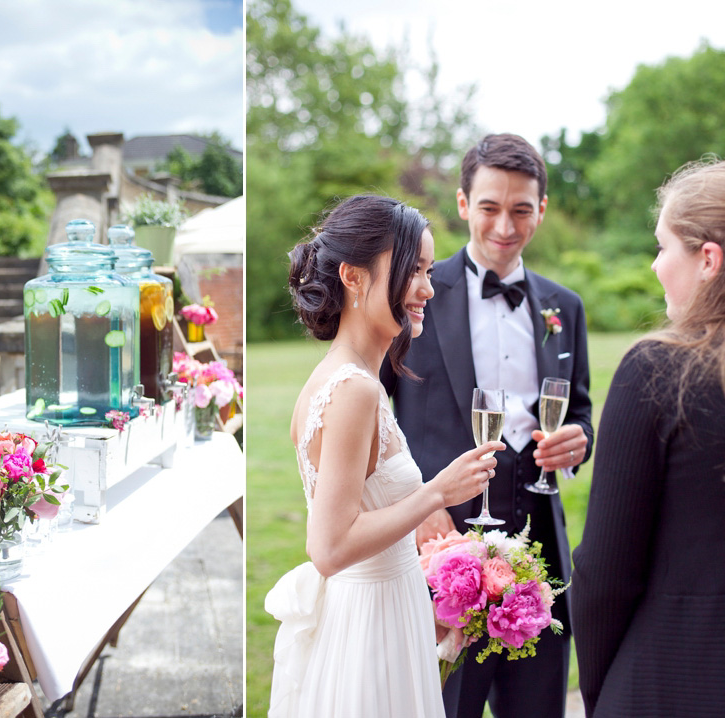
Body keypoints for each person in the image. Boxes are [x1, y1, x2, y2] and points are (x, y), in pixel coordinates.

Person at [265, 194, 504, 717]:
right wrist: (436, 493)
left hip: (386, 611)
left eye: (428, 270)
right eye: (411, 270)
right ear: (353, 277)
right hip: (369, 628)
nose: (426, 288)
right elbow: (328, 548)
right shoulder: (353, 389)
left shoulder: (348, 377)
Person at [381, 134, 593, 718]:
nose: (505, 225)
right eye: (490, 207)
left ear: (542, 209)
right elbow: (372, 415)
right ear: (462, 204)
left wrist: (579, 441)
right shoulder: (414, 296)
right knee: (447, 707)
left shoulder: (564, 307)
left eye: (522, 209)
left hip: (541, 550)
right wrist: (420, 504)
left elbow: (578, 409)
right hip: (444, 544)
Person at [572, 159, 725, 717]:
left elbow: (605, 575)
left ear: (707, 258)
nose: (656, 265)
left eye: (663, 247)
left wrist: (605, 693)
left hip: (668, 681)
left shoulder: (656, 371)